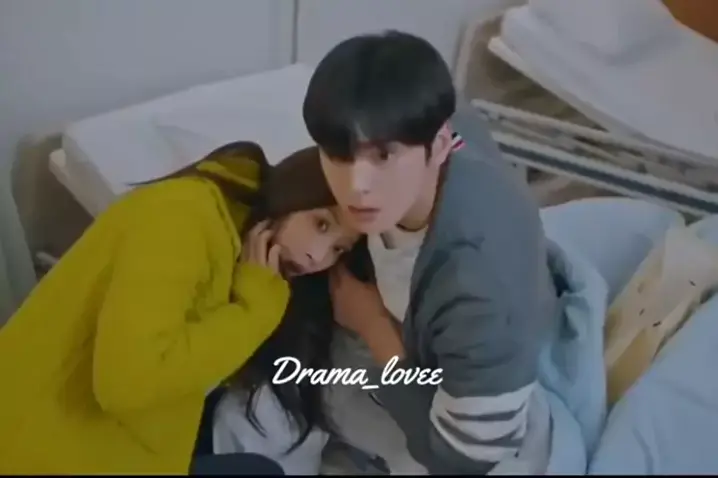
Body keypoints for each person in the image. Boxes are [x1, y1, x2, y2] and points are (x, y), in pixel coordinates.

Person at [0, 142, 361, 475]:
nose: (317, 257)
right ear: (294, 193)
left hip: (101, 441)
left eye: (338, 249)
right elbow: (127, 385)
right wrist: (252, 313)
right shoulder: (182, 219)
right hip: (44, 452)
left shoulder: (239, 248)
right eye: (320, 223)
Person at [302, 31, 560, 474]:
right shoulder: (435, 123)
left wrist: (373, 327)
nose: (356, 187)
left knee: (306, 395)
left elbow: (463, 458)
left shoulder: (476, 286)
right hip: (424, 331)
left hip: (471, 428)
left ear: (439, 146)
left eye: (384, 156)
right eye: (338, 154)